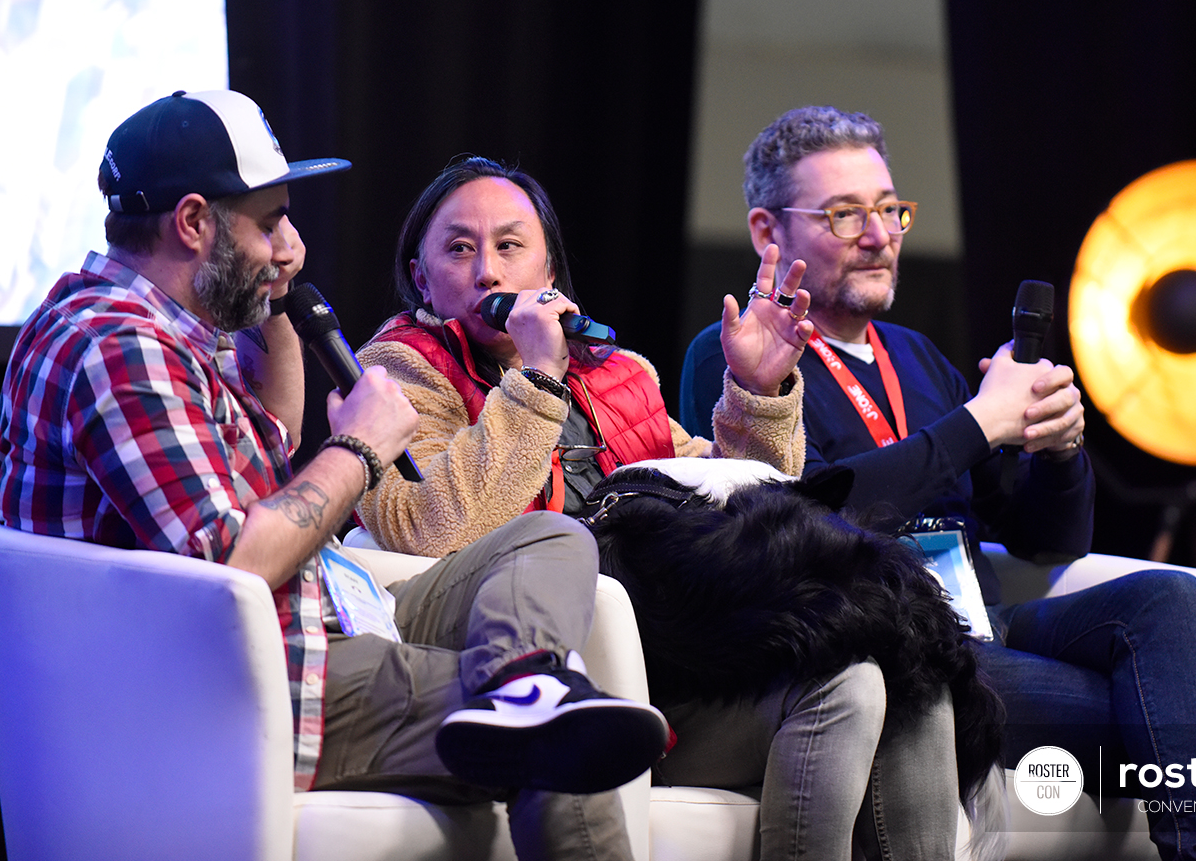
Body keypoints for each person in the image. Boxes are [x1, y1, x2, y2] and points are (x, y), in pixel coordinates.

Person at [0, 90, 667, 861]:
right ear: (193, 223)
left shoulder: (155, 326)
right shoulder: (122, 351)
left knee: (544, 540)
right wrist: (360, 447)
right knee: (565, 735)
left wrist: (273, 298)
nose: (291, 245)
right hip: (240, 690)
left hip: (313, 619)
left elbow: (274, 439)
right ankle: (529, 703)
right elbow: (234, 564)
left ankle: (524, 679)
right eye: (270, 222)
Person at [679, 106, 1196, 861]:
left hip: (980, 625)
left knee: (1167, 597)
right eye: (844, 214)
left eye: (890, 209)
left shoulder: (916, 357)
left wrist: (1059, 450)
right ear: (767, 231)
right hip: (881, 644)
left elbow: (1048, 542)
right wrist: (979, 422)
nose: (879, 235)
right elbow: (810, 515)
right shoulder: (738, 359)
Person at [354, 157, 978, 860]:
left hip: (687, 653)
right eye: (460, 249)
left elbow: (729, 499)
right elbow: (432, 527)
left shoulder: (618, 372)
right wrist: (535, 378)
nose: (488, 273)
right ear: (421, 277)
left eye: (510, 245)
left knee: (897, 672)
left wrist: (755, 393)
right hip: (579, 673)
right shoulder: (399, 370)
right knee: (857, 682)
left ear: (549, 271)